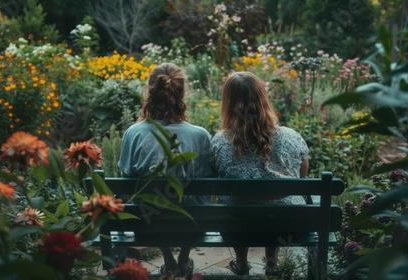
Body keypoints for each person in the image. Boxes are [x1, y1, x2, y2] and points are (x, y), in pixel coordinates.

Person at [118, 62, 212, 279]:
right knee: (194, 201)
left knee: (150, 201)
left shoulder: (134, 133)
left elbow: (127, 184)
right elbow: (206, 184)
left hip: (147, 224)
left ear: (149, 92)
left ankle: (168, 259)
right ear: (182, 94)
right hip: (194, 224)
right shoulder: (200, 135)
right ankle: (183, 259)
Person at [209, 71, 309, 276]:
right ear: (263, 99)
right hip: (289, 227)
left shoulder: (219, 141)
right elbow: (302, 175)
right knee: (278, 206)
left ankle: (241, 264)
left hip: (236, 229)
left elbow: (215, 176)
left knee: (235, 206)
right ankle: (272, 263)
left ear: (228, 103)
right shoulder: (290, 137)